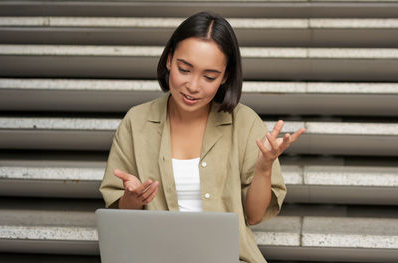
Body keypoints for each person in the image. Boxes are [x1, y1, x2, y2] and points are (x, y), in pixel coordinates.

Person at [99, 11, 305, 263]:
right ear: (169, 59)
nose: (193, 86)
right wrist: (132, 199)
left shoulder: (245, 123)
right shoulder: (137, 122)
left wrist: (264, 167)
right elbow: (120, 218)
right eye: (184, 69)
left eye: (209, 77)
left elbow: (253, 216)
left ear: (225, 77)